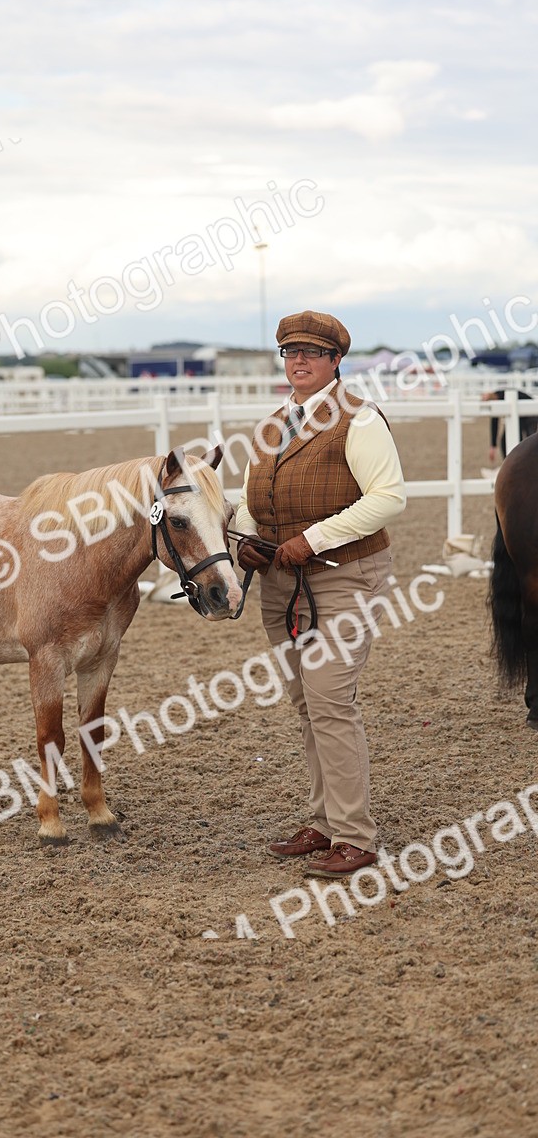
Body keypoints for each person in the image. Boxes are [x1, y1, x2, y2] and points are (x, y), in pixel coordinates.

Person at [236, 310, 406, 878]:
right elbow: (250, 501)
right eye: (290, 352)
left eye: (311, 352)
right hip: (281, 583)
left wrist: (313, 537)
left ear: (336, 362)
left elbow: (387, 498)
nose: (299, 361)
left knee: (331, 700)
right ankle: (325, 822)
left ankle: (356, 837)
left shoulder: (358, 421)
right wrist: (249, 541)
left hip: (345, 576)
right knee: (307, 705)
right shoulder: (271, 425)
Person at [482, 389, 537, 463]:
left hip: (529, 414)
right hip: (519, 415)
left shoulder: (500, 399)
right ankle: (511, 463)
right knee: (515, 439)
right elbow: (494, 422)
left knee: (530, 441)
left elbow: (494, 422)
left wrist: (493, 445)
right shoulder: (498, 398)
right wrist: (493, 444)